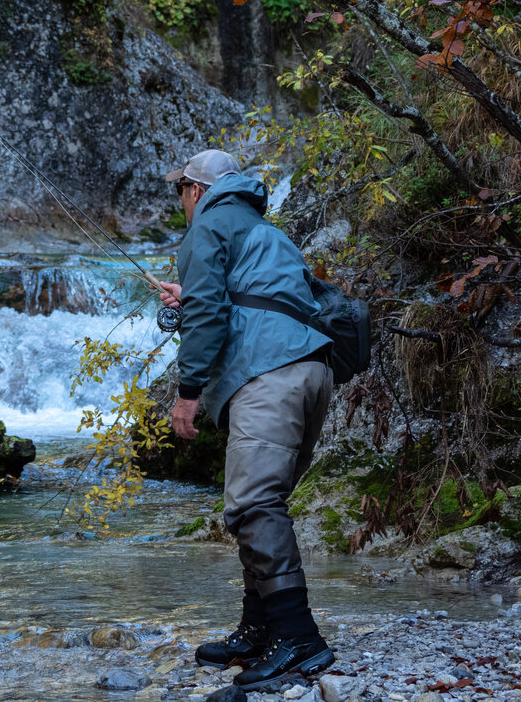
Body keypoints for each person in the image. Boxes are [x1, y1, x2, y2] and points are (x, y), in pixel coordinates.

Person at [155, 149, 336, 692]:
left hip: (268, 374)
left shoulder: (207, 223)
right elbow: (265, 300)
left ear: (194, 189)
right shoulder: (263, 228)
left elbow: (209, 313)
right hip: (311, 372)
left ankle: (298, 638)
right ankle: (259, 628)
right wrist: (194, 294)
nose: (180, 203)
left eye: (179, 191)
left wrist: (187, 393)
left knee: (254, 503)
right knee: (258, 503)